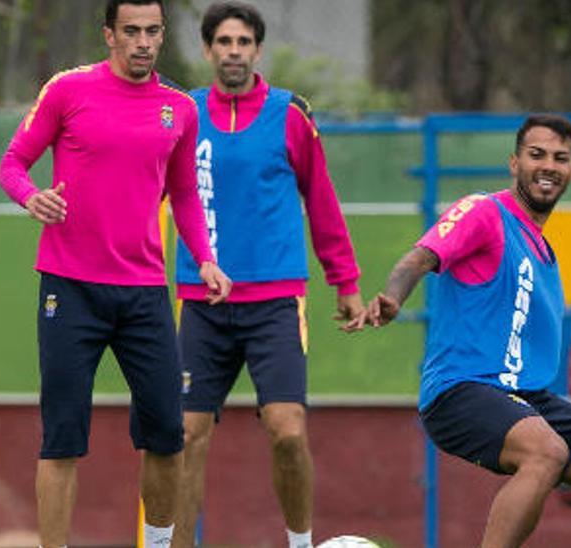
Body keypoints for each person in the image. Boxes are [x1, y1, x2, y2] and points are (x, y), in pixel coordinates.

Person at [360, 115, 571, 548]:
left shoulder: (543, 252)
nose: (548, 165)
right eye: (536, 155)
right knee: (545, 451)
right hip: (461, 389)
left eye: (560, 158)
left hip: (526, 396)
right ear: (514, 163)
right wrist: (393, 296)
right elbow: (418, 258)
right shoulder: (484, 211)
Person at [0, 1, 232, 546]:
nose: (143, 42)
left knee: (168, 436)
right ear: (109, 35)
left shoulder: (179, 109)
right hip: (69, 289)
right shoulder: (68, 90)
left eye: (152, 31)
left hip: (144, 293)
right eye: (132, 32)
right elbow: (11, 163)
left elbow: (186, 194)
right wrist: (32, 198)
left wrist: (207, 258)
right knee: (61, 441)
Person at [170, 3, 366, 548]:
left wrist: (344, 282)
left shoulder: (290, 114)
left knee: (286, 431)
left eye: (244, 41)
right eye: (224, 41)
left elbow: (321, 199)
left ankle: (300, 544)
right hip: (200, 301)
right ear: (208, 50)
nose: (234, 51)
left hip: (276, 302)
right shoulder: (182, 113)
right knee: (184, 435)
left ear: (258, 50)